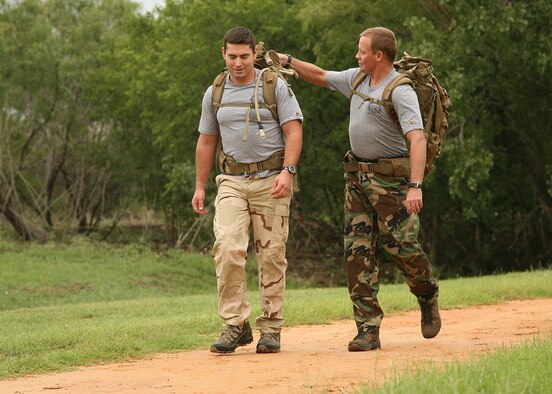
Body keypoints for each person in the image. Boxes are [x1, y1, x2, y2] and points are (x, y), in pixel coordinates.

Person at [278, 27, 440, 351]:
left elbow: (417, 139)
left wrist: (415, 187)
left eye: (361, 51)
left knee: (402, 247)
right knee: (357, 252)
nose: (357, 56)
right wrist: (289, 61)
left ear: (379, 55)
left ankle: (426, 293)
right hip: (356, 180)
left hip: (392, 183)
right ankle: (368, 329)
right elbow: (322, 76)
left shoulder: (400, 91)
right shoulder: (356, 79)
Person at [192, 27, 303, 354]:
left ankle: (271, 327)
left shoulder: (274, 86)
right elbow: (206, 141)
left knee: (271, 253)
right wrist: (199, 186)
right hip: (231, 182)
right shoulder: (215, 92)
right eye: (232, 56)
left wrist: (288, 171)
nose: (238, 63)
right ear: (223, 54)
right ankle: (235, 324)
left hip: (272, 180)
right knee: (227, 247)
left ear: (255, 53)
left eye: (244, 56)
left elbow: (293, 131)